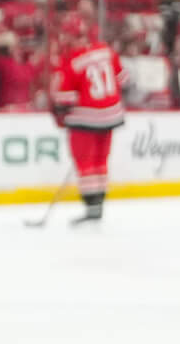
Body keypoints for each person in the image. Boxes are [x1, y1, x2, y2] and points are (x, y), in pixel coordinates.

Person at [50, 13, 124, 226]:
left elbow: (65, 99)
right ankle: (98, 205)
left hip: (86, 117)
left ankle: (91, 207)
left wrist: (58, 111)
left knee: (85, 162)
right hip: (112, 114)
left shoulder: (72, 61)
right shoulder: (106, 50)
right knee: (101, 160)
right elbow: (123, 79)